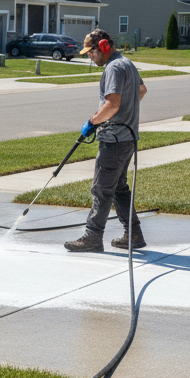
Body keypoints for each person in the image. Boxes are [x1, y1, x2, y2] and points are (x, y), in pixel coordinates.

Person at [64, 29, 148, 253]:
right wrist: (125, 112)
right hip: (128, 138)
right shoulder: (127, 63)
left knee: (101, 189)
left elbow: (112, 104)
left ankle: (92, 237)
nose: (89, 57)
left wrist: (93, 122)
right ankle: (134, 234)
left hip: (114, 139)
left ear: (102, 47)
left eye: (91, 53)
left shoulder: (113, 67)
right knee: (119, 188)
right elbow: (141, 90)